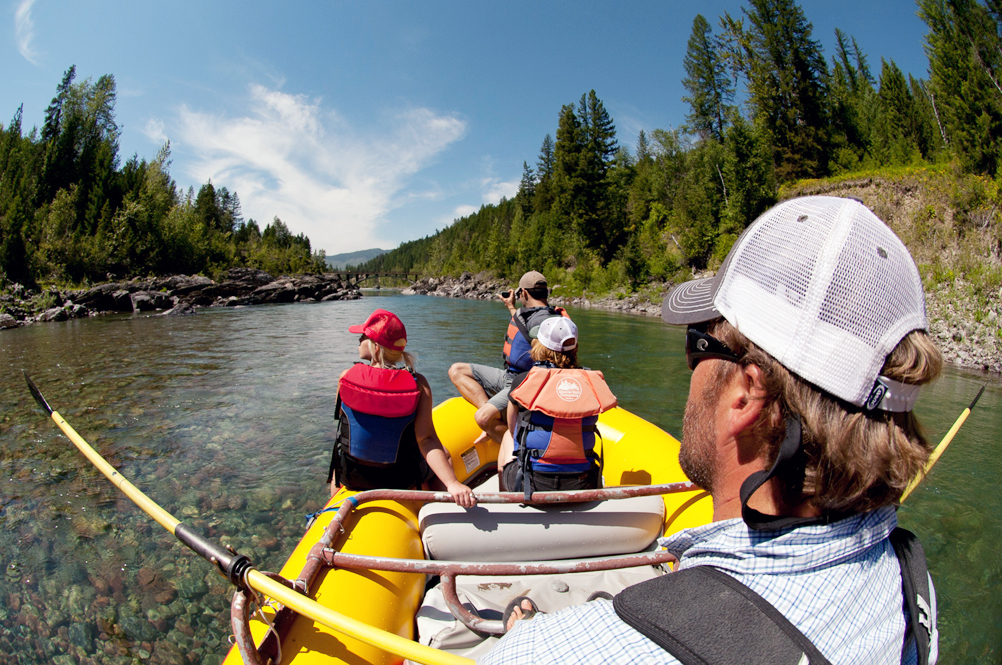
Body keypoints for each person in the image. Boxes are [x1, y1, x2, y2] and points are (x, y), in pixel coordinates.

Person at [480, 196, 941, 664]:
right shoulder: (911, 583)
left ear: (745, 395)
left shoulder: (551, 653)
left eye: (697, 344)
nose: (689, 367)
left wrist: (524, 635)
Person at [327, 308, 475, 508]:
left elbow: (343, 425)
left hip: (352, 477)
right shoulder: (418, 384)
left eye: (363, 336)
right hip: (399, 478)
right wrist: (452, 483)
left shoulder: (345, 376)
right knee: (445, 453)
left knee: (340, 450)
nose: (358, 339)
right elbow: (426, 439)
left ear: (375, 347)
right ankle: (438, 510)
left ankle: (332, 506)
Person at [496, 316, 617, 498]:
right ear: (574, 347)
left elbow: (514, 432)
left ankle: (507, 501)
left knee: (507, 435)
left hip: (533, 484)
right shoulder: (592, 383)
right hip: (582, 483)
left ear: (540, 345)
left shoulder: (523, 381)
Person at [448, 271, 567, 444]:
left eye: (519, 294)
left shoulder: (544, 320)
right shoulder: (533, 314)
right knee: (457, 370)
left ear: (524, 293)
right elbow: (524, 324)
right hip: (509, 376)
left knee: (482, 418)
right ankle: (494, 419)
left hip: (523, 383)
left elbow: (551, 358)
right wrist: (510, 306)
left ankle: (514, 447)